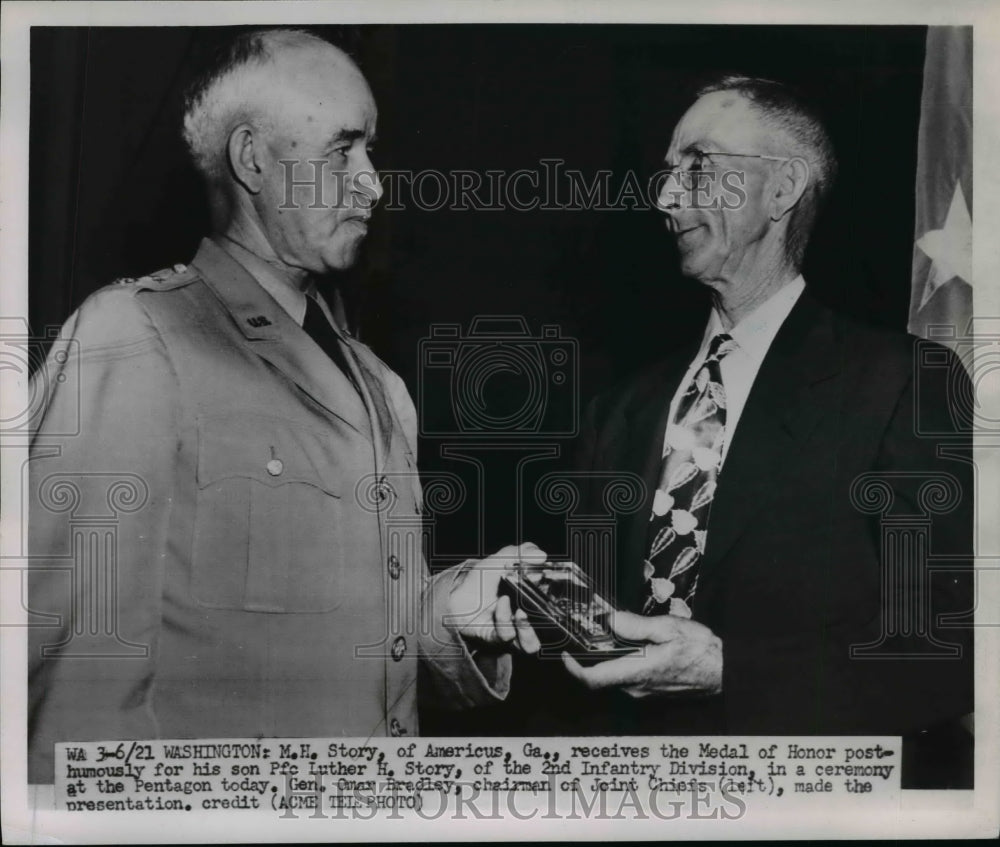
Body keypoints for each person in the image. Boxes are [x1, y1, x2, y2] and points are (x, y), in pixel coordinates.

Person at [27, 28, 541, 785]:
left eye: (371, 151)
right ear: (253, 160)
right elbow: (71, 687)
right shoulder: (136, 336)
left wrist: (453, 609)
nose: (372, 182)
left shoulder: (380, 385)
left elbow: (358, 634)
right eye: (343, 151)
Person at [551, 76, 973, 750]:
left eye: (699, 166)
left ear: (782, 190)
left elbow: (951, 650)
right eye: (666, 174)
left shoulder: (903, 383)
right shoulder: (619, 409)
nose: (664, 196)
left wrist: (729, 670)